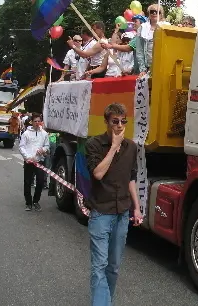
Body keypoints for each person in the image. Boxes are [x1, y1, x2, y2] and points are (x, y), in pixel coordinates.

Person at [85, 103, 143, 306]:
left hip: (122, 213)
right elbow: (98, 174)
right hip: (101, 212)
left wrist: (136, 207)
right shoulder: (93, 144)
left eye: (123, 121)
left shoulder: (132, 147)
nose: (119, 126)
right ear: (107, 122)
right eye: (115, 121)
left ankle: (105, 300)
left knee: (114, 266)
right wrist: (113, 147)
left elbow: (131, 179)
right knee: (99, 265)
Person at [19, 113, 49, 212]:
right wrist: (27, 157)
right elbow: (21, 147)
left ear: (41, 122)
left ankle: (36, 201)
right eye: (35, 121)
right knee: (27, 182)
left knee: (40, 181)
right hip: (29, 161)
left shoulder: (44, 133)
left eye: (38, 121)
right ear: (32, 122)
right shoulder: (26, 134)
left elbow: (47, 146)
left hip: (39, 161)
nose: (37, 123)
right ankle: (28, 203)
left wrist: (43, 150)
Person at [136, 4, 169, 77]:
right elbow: (139, 50)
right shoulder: (142, 28)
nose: (154, 13)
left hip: (163, 67)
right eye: (152, 11)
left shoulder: (167, 27)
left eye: (157, 12)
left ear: (161, 15)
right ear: (149, 13)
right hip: (148, 68)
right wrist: (142, 69)